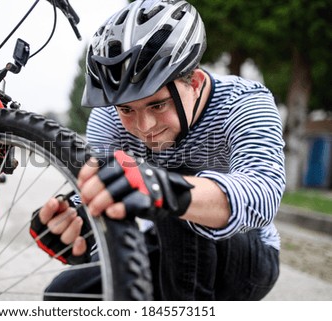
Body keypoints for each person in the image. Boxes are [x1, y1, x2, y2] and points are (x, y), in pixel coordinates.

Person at [30, 0, 285, 300]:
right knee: (64, 295)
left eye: (158, 104)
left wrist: (164, 187)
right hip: (164, 245)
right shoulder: (108, 114)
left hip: (246, 256)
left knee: (170, 185)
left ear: (195, 82)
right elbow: (99, 189)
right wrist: (76, 226)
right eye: (127, 109)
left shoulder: (245, 102)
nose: (144, 125)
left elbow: (264, 193)